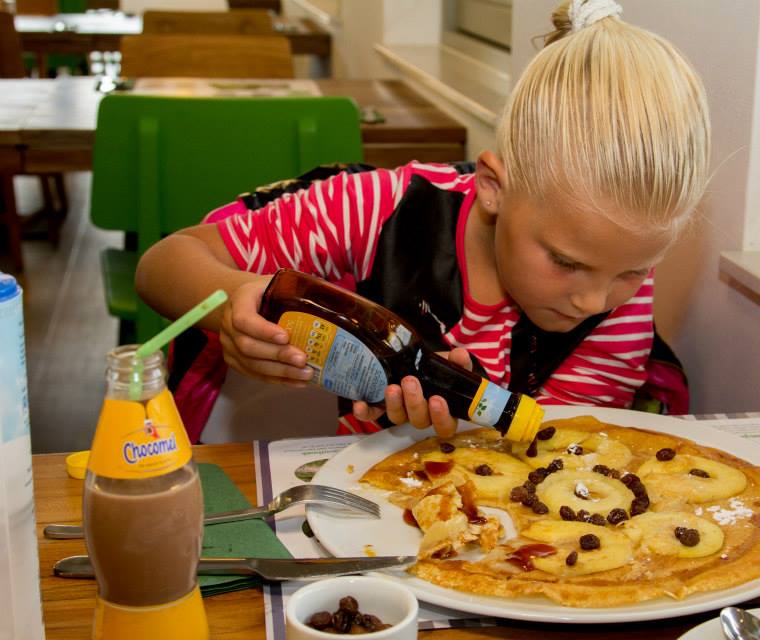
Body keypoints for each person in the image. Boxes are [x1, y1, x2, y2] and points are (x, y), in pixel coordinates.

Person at [135, 0, 711, 444]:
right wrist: (238, 297)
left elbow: (553, 454)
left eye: (634, 270)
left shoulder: (618, 300)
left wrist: (457, 429)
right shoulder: (383, 210)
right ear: (493, 188)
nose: (593, 300)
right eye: (565, 261)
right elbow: (162, 264)